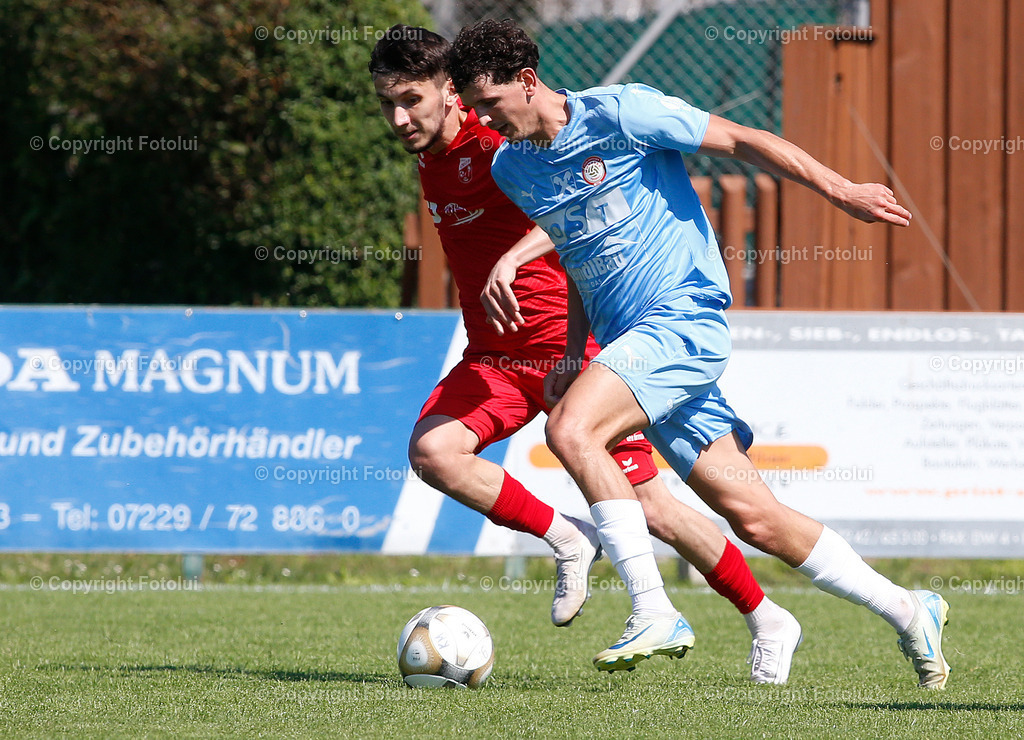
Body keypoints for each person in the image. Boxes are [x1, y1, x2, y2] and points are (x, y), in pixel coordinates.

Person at [449, 19, 951, 689]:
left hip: (683, 319)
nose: (482, 119)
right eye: (473, 108)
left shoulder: (622, 113)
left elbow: (744, 139)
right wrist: (571, 353)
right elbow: (577, 253)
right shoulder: (513, 167)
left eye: (489, 102)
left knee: (570, 430)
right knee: (756, 519)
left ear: (528, 81)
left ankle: (653, 609)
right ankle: (910, 610)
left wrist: (842, 189)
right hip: (633, 347)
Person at [369, 25, 803, 683]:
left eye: (412, 101)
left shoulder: (501, 140)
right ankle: (569, 537)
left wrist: (518, 259)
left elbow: (582, 203)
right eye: (388, 105)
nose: (400, 119)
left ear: (452, 92)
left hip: (567, 355)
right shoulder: (432, 154)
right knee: (434, 452)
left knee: (655, 509)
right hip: (493, 357)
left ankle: (764, 615)